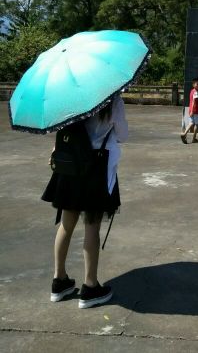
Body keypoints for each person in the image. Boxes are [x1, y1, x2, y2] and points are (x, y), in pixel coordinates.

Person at [42, 93, 128, 309]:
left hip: (70, 165)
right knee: (92, 227)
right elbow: (123, 135)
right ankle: (90, 287)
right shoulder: (112, 100)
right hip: (96, 168)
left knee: (66, 224)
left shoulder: (71, 98)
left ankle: (59, 281)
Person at [181, 78, 198, 144]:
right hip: (195, 110)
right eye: (197, 84)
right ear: (193, 85)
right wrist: (192, 110)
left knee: (191, 123)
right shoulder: (195, 92)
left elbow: (192, 101)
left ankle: (184, 134)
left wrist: (191, 110)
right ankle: (194, 139)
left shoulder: (192, 91)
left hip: (191, 109)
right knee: (197, 124)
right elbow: (194, 102)